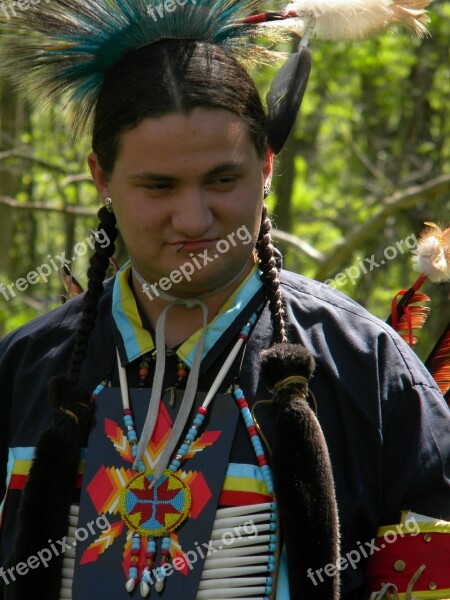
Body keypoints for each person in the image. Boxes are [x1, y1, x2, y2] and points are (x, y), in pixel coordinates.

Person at [0, 1, 449, 599]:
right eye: (158, 186)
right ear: (101, 178)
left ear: (265, 167)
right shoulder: (24, 371)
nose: (194, 217)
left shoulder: (365, 370)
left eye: (221, 180)